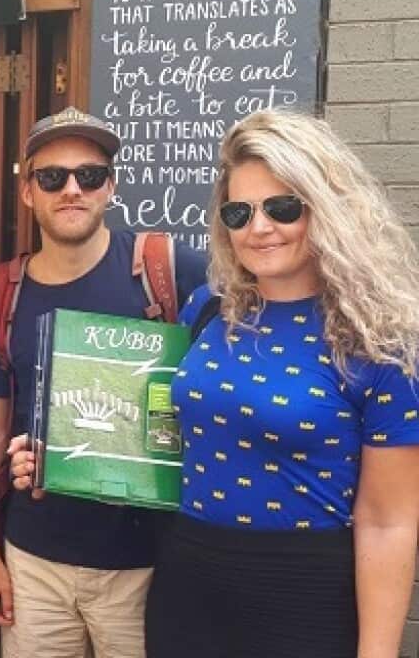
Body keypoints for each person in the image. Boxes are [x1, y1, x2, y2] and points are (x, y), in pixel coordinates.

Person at [141, 110, 419, 657]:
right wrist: (54, 450)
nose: (258, 227)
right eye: (239, 212)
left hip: (305, 598)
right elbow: (159, 440)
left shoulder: (380, 343)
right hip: (186, 584)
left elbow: (388, 522)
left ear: (328, 210)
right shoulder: (206, 312)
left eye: (283, 207)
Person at [0, 107, 206, 658]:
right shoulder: (7, 290)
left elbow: (228, 390)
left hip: (148, 565)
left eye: (89, 175)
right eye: (52, 177)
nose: (71, 189)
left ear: (110, 187)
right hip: (34, 561)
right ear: (28, 192)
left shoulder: (168, 269)